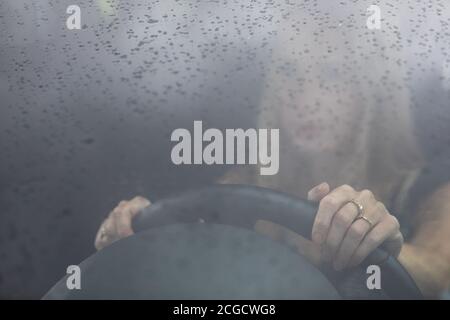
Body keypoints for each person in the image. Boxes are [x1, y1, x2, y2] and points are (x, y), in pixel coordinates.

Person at [94, 4, 450, 298]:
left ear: (374, 88)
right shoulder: (248, 180)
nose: (303, 97)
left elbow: (437, 269)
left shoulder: (428, 187)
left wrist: (385, 248)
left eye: (331, 75)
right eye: (289, 71)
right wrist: (140, 229)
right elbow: (195, 257)